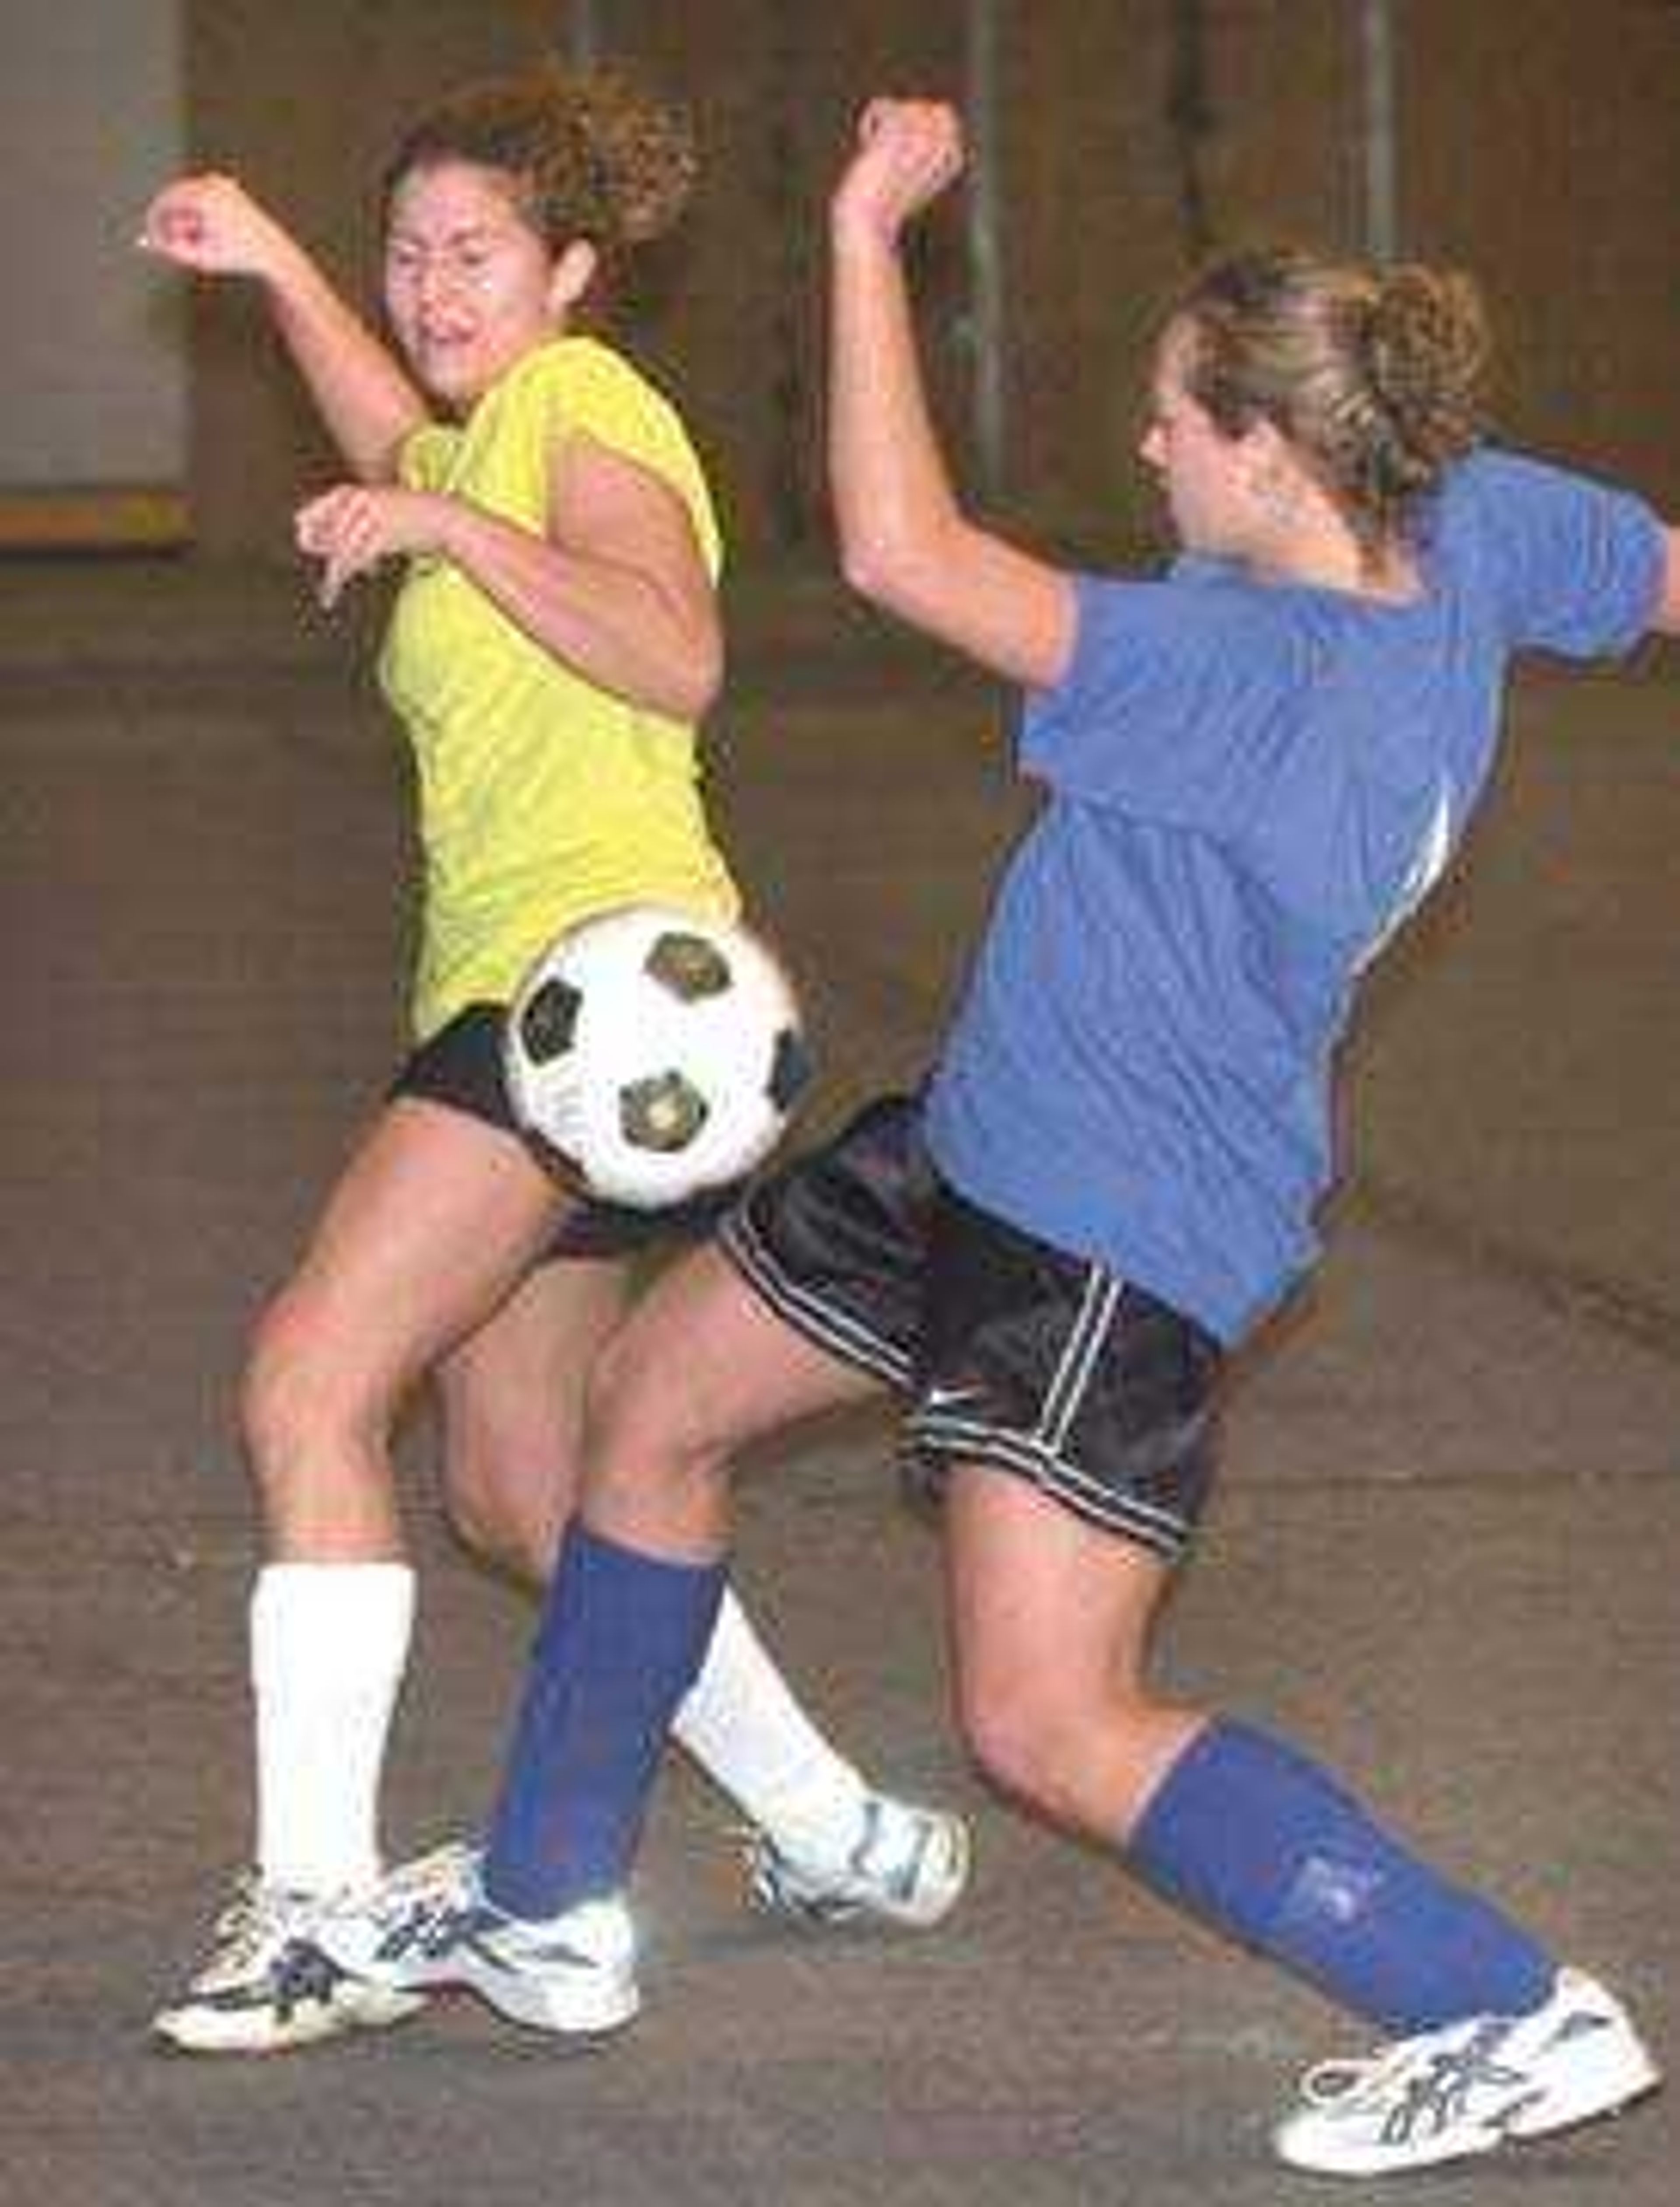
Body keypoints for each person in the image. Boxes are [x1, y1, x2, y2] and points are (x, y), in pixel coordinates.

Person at [316, 98, 1679, 2176]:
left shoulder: (1243, 667)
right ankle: (545, 1904)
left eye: (1168, 427)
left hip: (1110, 1231)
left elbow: (902, 556)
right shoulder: (1473, 521)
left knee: (1047, 1720)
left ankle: (1504, 2003)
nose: (1149, 456)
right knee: (654, 1413)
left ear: (1272, 458)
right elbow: (1667, 567)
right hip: (978, 1135)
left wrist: (867, 232)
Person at [136, 66, 969, 2057]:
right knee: (523, 1490)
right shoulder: (497, 428)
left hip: (575, 989)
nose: (431, 285)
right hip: (566, 1009)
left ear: (573, 273)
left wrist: (434, 509)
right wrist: (276, 273)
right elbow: (408, 440)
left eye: (474, 255)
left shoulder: (584, 411)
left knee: (308, 1384)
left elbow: (673, 648)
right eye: (407, 252)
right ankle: (832, 1821)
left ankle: (318, 1910)